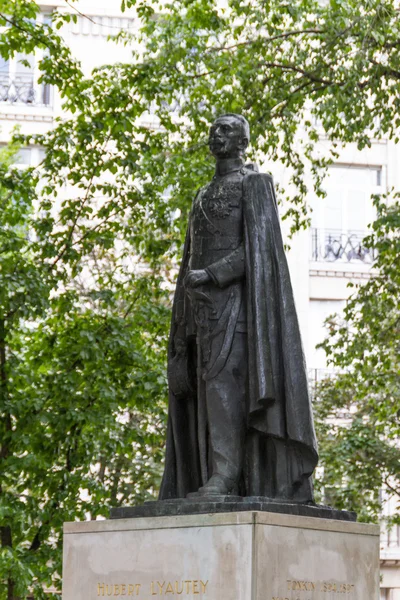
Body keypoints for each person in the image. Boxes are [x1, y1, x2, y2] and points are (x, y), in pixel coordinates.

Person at [159, 113, 318, 501]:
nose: (217, 133)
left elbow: (259, 251)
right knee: (206, 398)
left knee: (225, 391)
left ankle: (226, 477)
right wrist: (180, 331)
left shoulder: (254, 184)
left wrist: (212, 274)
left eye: (227, 129)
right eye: (214, 128)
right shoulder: (201, 194)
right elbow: (185, 264)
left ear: (243, 141)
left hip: (239, 312)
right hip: (200, 315)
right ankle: (211, 475)